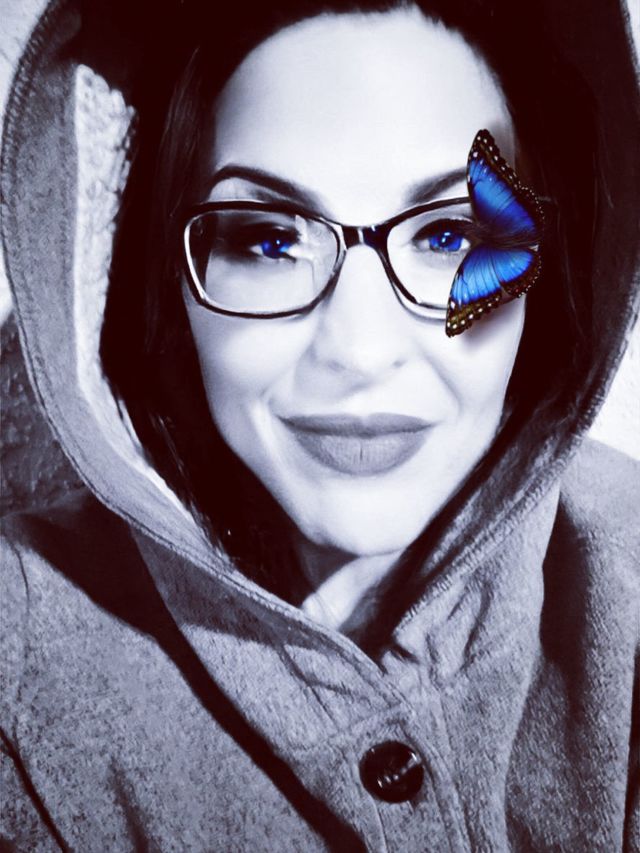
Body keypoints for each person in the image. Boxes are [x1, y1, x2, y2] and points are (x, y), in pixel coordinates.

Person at [1, 0, 639, 849]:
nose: (360, 351)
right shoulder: (24, 649)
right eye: (268, 239)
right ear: (168, 286)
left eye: (450, 233)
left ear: (553, 276)